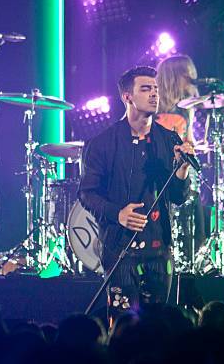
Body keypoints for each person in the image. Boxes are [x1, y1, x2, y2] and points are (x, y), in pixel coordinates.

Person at [78, 66, 193, 325]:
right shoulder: (102, 143)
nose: (154, 94)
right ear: (127, 97)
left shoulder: (168, 140)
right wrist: (117, 214)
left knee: (159, 324)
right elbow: (86, 194)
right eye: (146, 89)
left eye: (156, 89)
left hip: (159, 247)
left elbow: (178, 197)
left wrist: (182, 170)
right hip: (119, 247)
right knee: (122, 323)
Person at [155, 55, 206, 266]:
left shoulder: (180, 110)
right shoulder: (172, 115)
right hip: (175, 178)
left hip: (174, 177)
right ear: (176, 78)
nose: (192, 80)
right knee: (193, 227)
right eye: (188, 76)